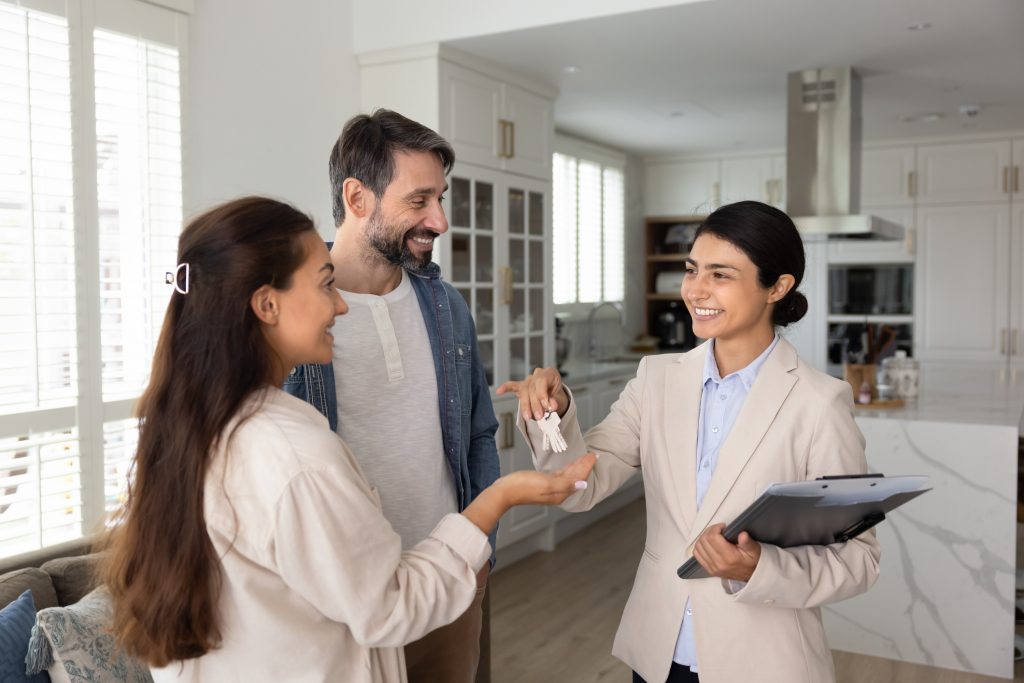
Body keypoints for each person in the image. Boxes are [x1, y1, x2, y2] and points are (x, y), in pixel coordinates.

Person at [101, 196, 595, 682]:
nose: (339, 305)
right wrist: (501, 497)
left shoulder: (193, 426)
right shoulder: (295, 456)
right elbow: (391, 605)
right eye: (325, 284)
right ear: (267, 304)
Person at [497, 200, 881, 683]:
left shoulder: (820, 403)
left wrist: (757, 566)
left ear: (778, 287)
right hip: (661, 653)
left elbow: (858, 559)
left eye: (721, 274)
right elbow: (579, 486)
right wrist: (551, 417)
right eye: (692, 269)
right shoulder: (656, 379)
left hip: (763, 662)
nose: (695, 290)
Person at [283, 109, 499, 682]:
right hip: (345, 607)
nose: (441, 220)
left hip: (449, 584)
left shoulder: (446, 308)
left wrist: (482, 551)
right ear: (357, 198)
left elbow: (479, 434)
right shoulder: (296, 317)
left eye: (442, 198)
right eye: (419, 200)